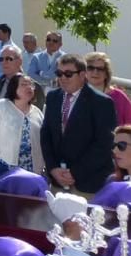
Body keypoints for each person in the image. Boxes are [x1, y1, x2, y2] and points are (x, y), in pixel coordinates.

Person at [40, 54, 116, 194]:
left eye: (68, 74)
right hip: (58, 182)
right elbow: (46, 135)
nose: (62, 78)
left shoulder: (102, 103)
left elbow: (104, 144)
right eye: (59, 73)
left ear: (82, 75)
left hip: (89, 184)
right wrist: (52, 168)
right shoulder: (53, 98)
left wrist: (74, 173)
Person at [0, 74, 45, 176]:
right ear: (14, 87)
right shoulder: (1, 106)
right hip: (6, 167)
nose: (29, 87)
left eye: (31, 85)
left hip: (32, 170)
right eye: (23, 84)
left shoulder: (37, 112)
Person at [83, 51, 131, 127]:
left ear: (107, 74)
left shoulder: (119, 96)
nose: (95, 72)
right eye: (90, 68)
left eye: (100, 69)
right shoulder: (78, 95)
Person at [28, 31, 64, 95]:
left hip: (59, 94)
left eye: (55, 41)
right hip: (39, 95)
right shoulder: (36, 57)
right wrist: (50, 82)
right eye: (48, 39)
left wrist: (41, 73)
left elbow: (62, 77)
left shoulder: (65, 58)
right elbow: (31, 75)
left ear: (60, 44)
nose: (51, 42)